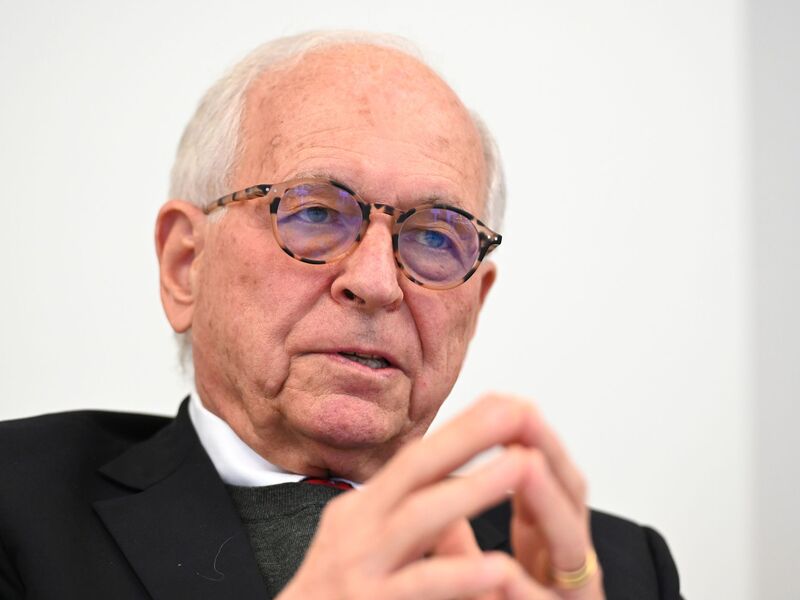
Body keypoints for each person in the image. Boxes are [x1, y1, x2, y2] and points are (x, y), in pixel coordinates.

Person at [0, 31, 682, 599]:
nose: (377, 283)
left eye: (435, 237)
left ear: (473, 309)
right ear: (186, 265)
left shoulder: (612, 572)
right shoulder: (18, 507)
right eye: (317, 213)